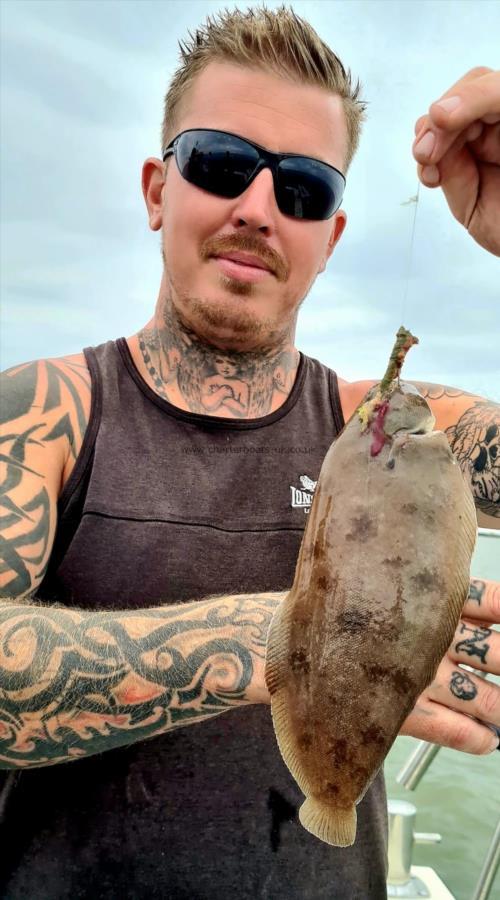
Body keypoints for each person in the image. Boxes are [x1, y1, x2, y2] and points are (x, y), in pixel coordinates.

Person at [0, 5, 498, 898]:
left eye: (303, 188)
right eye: (222, 164)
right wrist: (296, 640)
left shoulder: (380, 424)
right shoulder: (46, 409)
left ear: (332, 234)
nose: (258, 208)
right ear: (158, 189)